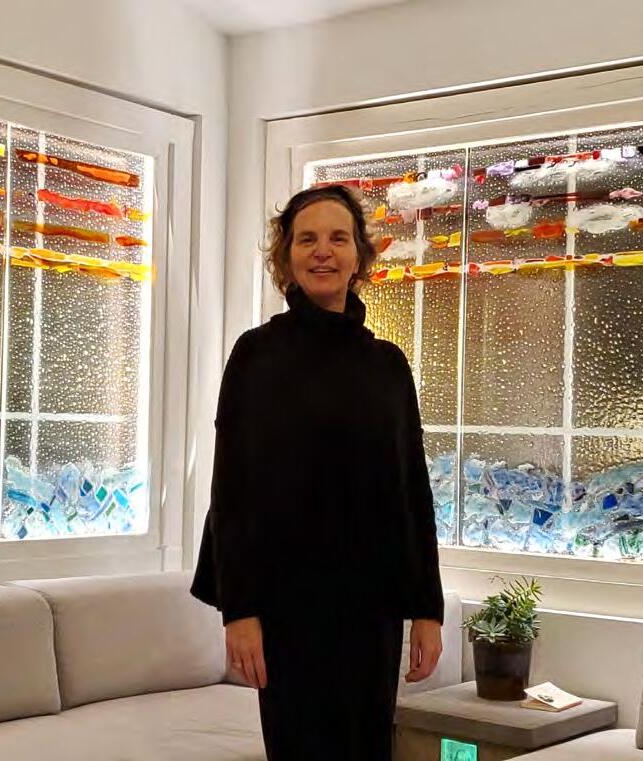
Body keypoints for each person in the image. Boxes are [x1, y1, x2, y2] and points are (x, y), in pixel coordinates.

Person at [191, 184, 444, 760]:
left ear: (359, 257)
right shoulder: (255, 356)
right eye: (307, 239)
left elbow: (412, 491)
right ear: (286, 257)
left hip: (373, 609)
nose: (322, 251)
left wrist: (427, 610)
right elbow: (232, 492)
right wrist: (240, 611)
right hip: (287, 610)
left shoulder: (388, 366)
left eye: (338, 238)